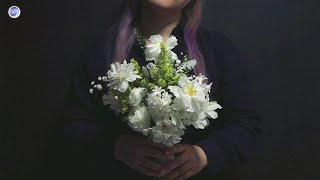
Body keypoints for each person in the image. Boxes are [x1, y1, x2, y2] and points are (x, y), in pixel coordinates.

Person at [63, 0, 262, 179]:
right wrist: (117, 146)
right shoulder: (100, 53)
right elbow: (74, 126)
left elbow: (247, 126)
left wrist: (204, 154)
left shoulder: (219, 52)